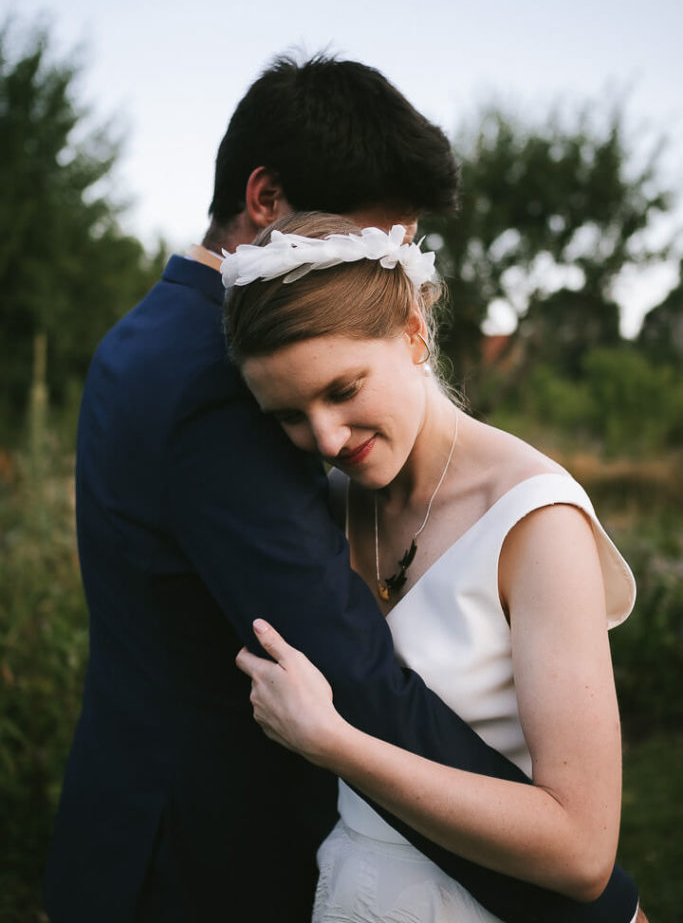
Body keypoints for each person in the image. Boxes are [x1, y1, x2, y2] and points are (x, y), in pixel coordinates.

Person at [43, 53, 640, 923]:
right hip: (206, 865)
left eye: (399, 246)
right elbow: (352, 670)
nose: (386, 261)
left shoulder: (141, 336)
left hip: (139, 830)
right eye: (368, 236)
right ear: (266, 201)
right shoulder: (219, 374)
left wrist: (583, 878)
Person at [227, 211, 648, 923]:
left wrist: (331, 742)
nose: (324, 438)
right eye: (288, 416)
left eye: (342, 390)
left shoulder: (535, 520)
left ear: (413, 334)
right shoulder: (330, 506)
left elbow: (581, 853)